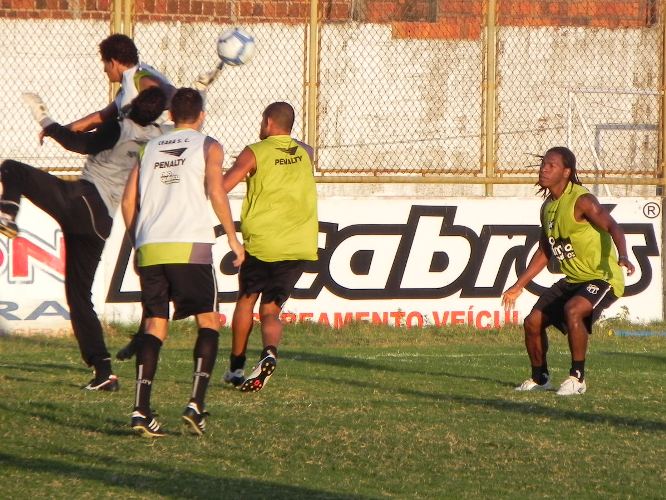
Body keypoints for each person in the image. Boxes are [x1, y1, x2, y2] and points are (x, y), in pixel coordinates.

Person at [0, 87, 168, 391]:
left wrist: (45, 119)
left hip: (85, 200)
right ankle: (104, 371)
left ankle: (7, 214)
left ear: (133, 105)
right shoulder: (158, 136)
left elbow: (76, 142)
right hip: (101, 224)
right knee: (79, 297)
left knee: (12, 169)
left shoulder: (119, 126)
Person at [121, 87, 244, 437]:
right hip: (190, 244)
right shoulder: (208, 145)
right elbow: (216, 190)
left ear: (171, 116)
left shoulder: (147, 149)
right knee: (208, 320)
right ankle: (195, 404)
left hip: (151, 247)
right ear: (201, 115)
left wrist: (137, 243)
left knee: (154, 325)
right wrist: (233, 238)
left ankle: (141, 410)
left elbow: (129, 203)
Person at [501, 146, 635, 396]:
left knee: (573, 310)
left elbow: (613, 226)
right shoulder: (548, 208)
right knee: (532, 322)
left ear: (566, 171)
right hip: (573, 279)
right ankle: (540, 378)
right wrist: (519, 285)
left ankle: (577, 378)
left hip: (602, 277)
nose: (544, 169)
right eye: (543, 165)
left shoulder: (582, 200)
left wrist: (624, 255)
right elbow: (545, 251)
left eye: (551, 165)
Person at [221, 101, 318, 393]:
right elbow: (296, 145)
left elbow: (223, 186)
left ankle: (236, 367)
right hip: (299, 245)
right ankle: (270, 352)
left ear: (267, 122)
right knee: (272, 310)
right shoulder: (306, 152)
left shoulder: (255, 152)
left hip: (263, 244)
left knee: (247, 300)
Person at [67, 33, 175, 134]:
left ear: (113, 63)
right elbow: (101, 116)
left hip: (157, 145)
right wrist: (59, 131)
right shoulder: (128, 82)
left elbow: (169, 93)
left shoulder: (139, 77)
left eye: (104, 63)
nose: (105, 70)